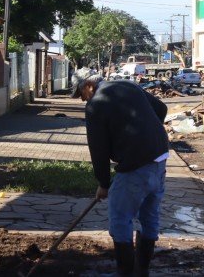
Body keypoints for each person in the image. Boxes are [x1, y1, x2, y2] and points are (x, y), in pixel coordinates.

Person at [70, 67, 169, 277]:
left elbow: (98, 149)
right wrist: (146, 134)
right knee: (149, 216)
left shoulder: (96, 104)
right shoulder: (128, 85)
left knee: (120, 218)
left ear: (89, 85)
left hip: (136, 166)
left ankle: (125, 273)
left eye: (80, 94)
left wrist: (103, 184)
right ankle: (142, 271)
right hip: (160, 158)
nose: (81, 100)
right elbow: (161, 108)